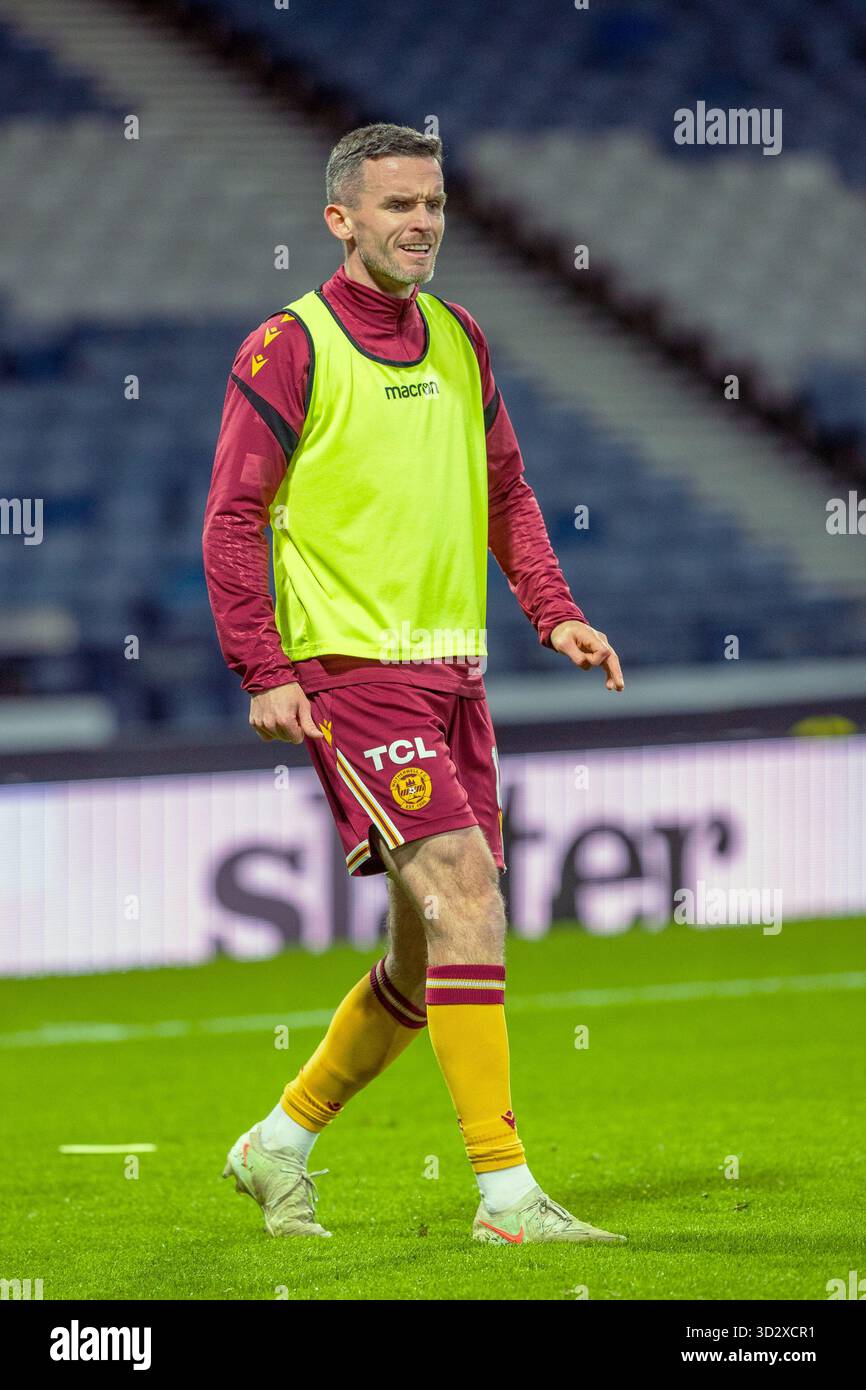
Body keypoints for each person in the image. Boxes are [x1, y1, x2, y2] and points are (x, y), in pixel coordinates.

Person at [203, 122, 625, 1244]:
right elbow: (233, 516)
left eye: (433, 203)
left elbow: (506, 489)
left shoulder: (459, 335)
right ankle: (506, 1197)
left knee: (424, 946)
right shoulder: (286, 347)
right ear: (340, 219)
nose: (422, 222)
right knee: (469, 893)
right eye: (397, 205)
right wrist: (264, 667)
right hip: (350, 672)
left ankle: (276, 1143)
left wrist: (555, 609)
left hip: (454, 674)